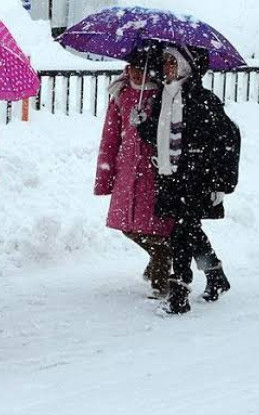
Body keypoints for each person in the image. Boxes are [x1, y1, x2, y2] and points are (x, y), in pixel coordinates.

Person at [136, 46, 240, 314]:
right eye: (165, 61)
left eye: (172, 61)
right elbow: (159, 136)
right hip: (170, 176)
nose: (167, 65)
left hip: (196, 176)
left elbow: (226, 141)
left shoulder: (203, 100)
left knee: (181, 232)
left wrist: (220, 183)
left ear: (186, 66)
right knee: (189, 228)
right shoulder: (163, 97)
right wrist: (142, 124)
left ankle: (179, 291)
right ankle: (215, 274)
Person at [95, 47, 174, 299]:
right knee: (127, 225)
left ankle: (160, 278)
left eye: (139, 68)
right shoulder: (121, 94)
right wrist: (105, 176)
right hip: (126, 170)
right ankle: (160, 256)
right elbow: (109, 138)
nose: (133, 73)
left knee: (154, 226)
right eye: (130, 67)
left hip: (153, 171)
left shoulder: (164, 95)